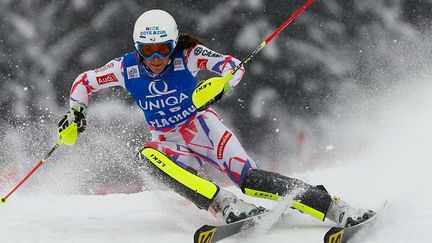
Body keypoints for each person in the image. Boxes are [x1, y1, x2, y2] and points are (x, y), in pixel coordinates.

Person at [58, 9, 374, 227]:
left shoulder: (189, 55)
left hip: (204, 130)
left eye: (163, 49)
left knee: (250, 181)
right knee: (147, 156)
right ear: (137, 48)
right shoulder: (125, 68)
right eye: (147, 50)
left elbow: (233, 66)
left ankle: (335, 207)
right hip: (169, 143)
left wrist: (221, 83)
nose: (155, 59)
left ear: (173, 43)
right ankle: (223, 204)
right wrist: (75, 115)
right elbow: (84, 82)